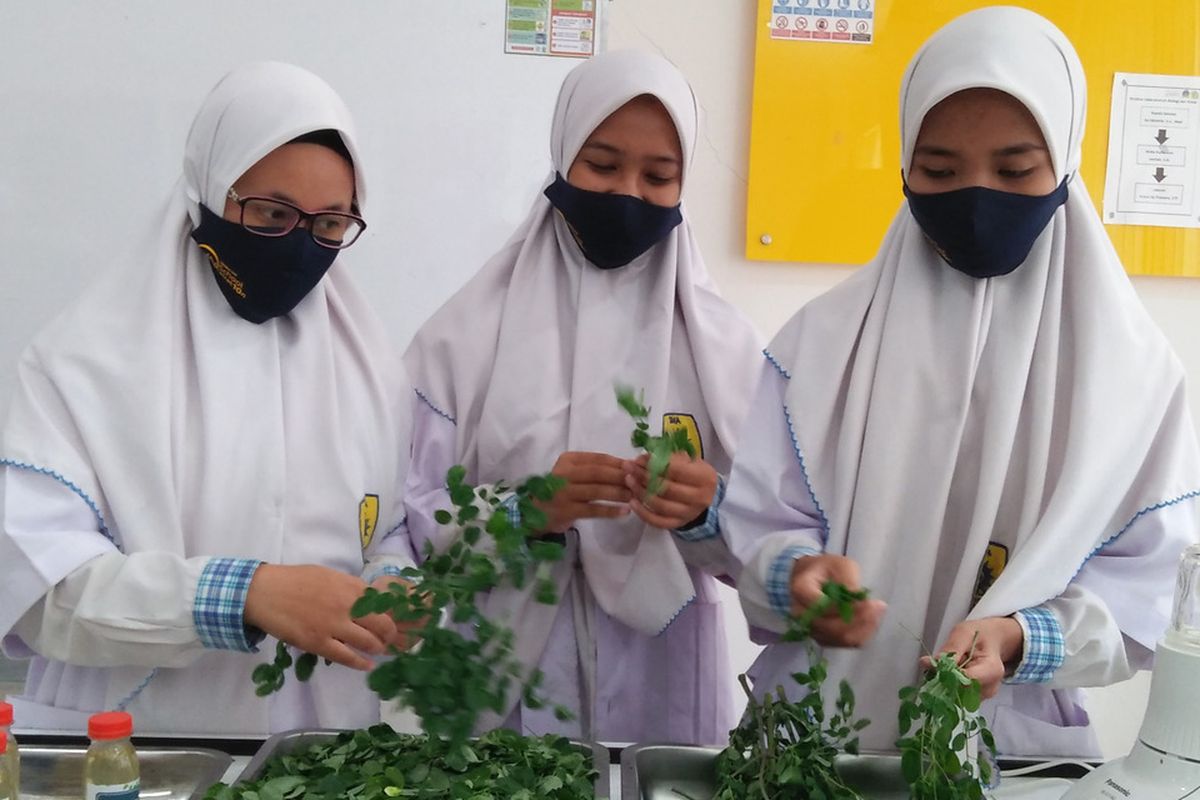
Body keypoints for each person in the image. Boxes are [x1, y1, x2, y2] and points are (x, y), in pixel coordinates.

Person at [723, 7, 1200, 758]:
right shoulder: (823, 346)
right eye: (939, 171)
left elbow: (1148, 589)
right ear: (905, 162)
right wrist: (796, 576)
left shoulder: (1133, 381)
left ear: (1067, 162)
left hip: (1006, 750)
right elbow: (759, 516)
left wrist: (1020, 639)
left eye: (1015, 170)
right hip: (815, 742)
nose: (976, 196)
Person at [0, 62, 416, 734]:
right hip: (146, 736)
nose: (301, 245)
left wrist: (395, 580)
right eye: (272, 214)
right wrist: (244, 594)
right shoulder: (84, 366)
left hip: (323, 738)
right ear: (208, 192)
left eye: (331, 224)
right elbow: (37, 591)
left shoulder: (368, 369)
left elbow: (389, 524)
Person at [404, 50, 762, 745]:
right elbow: (404, 520)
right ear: (563, 158)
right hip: (501, 673)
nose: (628, 191)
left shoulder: (725, 349)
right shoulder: (464, 334)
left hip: (666, 671)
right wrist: (519, 512)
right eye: (602, 164)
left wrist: (704, 514)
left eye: (659, 175)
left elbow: (774, 542)